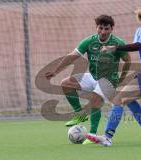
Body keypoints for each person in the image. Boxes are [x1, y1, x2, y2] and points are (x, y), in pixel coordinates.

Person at [86, 7, 141, 146]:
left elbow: (138, 45)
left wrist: (114, 47)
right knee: (127, 98)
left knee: (118, 99)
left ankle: (107, 137)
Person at [45, 15, 131, 144]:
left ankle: (92, 134)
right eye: (100, 28)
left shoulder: (118, 43)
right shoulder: (89, 41)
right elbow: (71, 56)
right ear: (96, 27)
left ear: (112, 29)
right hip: (93, 76)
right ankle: (79, 115)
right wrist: (55, 71)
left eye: (106, 29)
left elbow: (128, 60)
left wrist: (123, 77)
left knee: (95, 99)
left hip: (108, 80)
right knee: (66, 83)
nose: (103, 31)